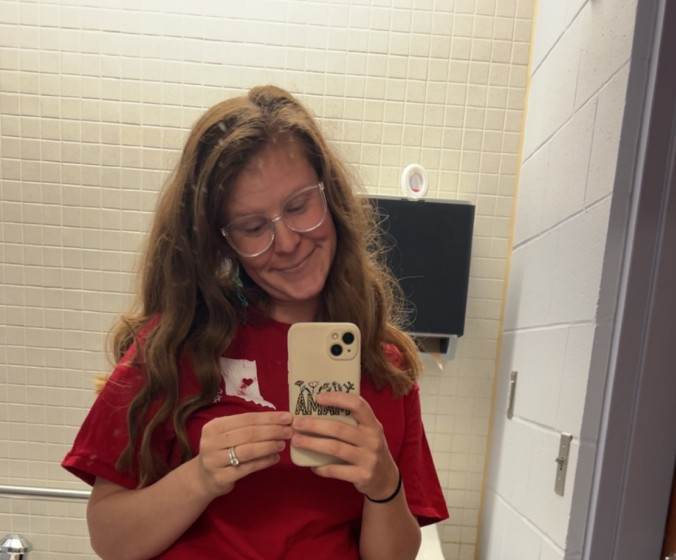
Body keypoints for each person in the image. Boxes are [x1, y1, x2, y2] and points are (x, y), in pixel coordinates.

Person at [62, 85, 448, 560]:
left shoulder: (384, 365)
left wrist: (384, 486)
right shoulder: (172, 344)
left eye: (299, 205)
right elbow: (110, 539)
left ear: (330, 197)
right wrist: (200, 477)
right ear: (222, 241)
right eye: (253, 227)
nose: (286, 242)